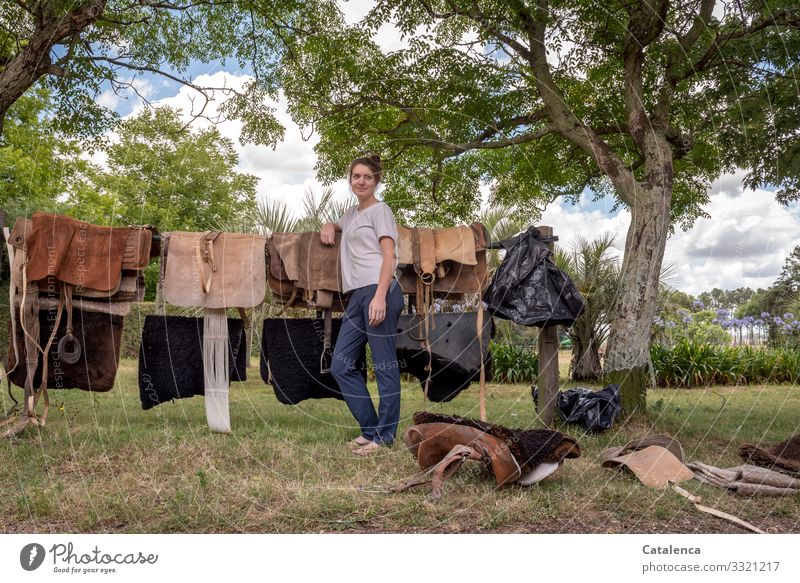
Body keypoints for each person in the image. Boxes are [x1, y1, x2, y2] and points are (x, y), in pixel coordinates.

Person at [320, 154, 404, 456]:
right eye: (356, 176)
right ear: (350, 180)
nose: (361, 181)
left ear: (376, 180)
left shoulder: (381, 211)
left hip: (380, 290)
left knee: (383, 365)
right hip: (357, 295)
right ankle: (370, 429)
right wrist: (329, 223)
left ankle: (384, 437)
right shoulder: (352, 214)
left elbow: (389, 256)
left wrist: (380, 296)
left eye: (367, 176)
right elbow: (337, 226)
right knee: (341, 364)